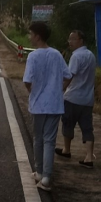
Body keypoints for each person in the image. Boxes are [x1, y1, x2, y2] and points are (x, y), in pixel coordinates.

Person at [23, 21, 71, 191]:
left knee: (38, 138)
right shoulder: (56, 54)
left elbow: (27, 80)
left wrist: (32, 92)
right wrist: (60, 89)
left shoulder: (33, 56)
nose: (29, 37)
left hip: (38, 105)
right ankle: (46, 178)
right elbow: (68, 75)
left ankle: (39, 171)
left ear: (37, 36)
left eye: (31, 34)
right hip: (55, 104)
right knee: (50, 140)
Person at [55, 30, 97, 168]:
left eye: (73, 39)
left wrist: (60, 89)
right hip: (87, 99)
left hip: (73, 97)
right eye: (69, 39)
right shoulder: (91, 55)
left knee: (68, 123)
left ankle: (67, 150)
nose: (70, 42)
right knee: (87, 128)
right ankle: (89, 157)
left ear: (81, 41)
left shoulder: (76, 56)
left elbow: (69, 76)